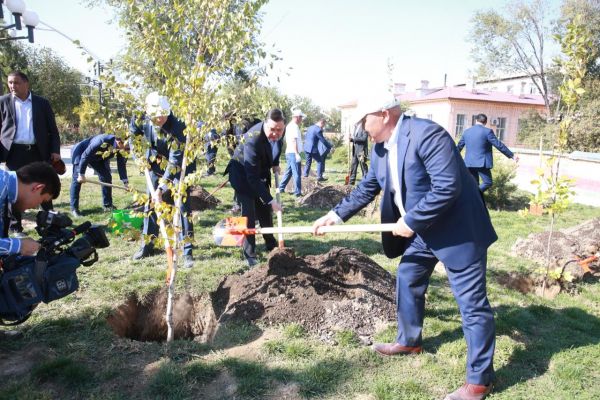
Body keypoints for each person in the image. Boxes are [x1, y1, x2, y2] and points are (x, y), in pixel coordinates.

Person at [312, 96, 497, 400]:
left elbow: (447, 185)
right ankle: (409, 341)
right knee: (408, 275)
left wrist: (411, 220)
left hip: (460, 231)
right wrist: (334, 216)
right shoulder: (381, 148)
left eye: (362, 121)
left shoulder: (428, 135)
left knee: (472, 306)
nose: (360, 128)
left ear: (384, 114)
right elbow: (367, 187)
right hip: (425, 231)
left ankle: (479, 381)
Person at [129, 92, 195, 269]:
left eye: (163, 116)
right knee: (150, 204)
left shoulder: (178, 126)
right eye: (156, 117)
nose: (160, 120)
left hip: (179, 166)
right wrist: (139, 159)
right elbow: (133, 138)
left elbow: (175, 160)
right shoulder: (140, 117)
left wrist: (162, 187)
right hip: (154, 161)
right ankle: (147, 245)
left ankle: (187, 251)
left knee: (182, 206)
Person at [0, 162, 60, 338]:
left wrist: (17, 242)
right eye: (41, 201)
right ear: (37, 187)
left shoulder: (7, 193)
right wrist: (18, 246)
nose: (34, 208)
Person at [0, 71, 61, 235]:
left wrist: (55, 151)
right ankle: (15, 227)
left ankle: (48, 224)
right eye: (10, 83)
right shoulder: (3, 102)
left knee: (44, 185)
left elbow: (53, 131)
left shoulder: (42, 103)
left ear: (27, 84)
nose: (12, 86)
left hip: (38, 152)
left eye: (16, 82)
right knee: (13, 190)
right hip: (14, 153)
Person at [225, 108, 285, 267]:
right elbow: (251, 177)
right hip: (242, 175)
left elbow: (276, 146)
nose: (276, 133)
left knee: (265, 210)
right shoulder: (253, 139)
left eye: (279, 129)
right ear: (265, 124)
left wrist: (275, 163)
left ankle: (271, 244)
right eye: (272, 129)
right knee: (248, 213)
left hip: (260, 172)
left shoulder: (279, 130)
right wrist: (271, 200)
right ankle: (250, 253)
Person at [70, 134, 129, 217]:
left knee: (106, 177)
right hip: (81, 152)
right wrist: (81, 174)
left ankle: (107, 205)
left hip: (97, 157)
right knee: (77, 179)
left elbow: (121, 164)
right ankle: (74, 209)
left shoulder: (121, 147)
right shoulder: (101, 140)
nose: (127, 149)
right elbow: (85, 156)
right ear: (119, 142)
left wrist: (125, 182)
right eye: (127, 147)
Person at [457, 113, 518, 193]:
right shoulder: (487, 132)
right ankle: (474, 196)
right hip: (481, 163)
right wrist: (512, 155)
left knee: (474, 185)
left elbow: (459, 147)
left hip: (469, 163)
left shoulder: (466, 132)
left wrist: (451, 158)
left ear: (476, 120)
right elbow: (499, 145)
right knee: (487, 182)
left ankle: (474, 200)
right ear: (485, 122)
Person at [278, 108, 305, 197]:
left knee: (289, 171)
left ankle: (281, 188)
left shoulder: (289, 125)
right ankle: (297, 192)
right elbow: (293, 140)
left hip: (289, 152)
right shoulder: (294, 126)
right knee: (297, 172)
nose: (302, 119)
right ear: (297, 117)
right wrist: (297, 154)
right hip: (293, 153)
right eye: (301, 117)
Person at [303, 116, 331, 181]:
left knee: (308, 162)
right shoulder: (318, 130)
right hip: (313, 149)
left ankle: (305, 176)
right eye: (324, 125)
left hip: (306, 147)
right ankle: (319, 177)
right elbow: (322, 140)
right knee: (320, 161)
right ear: (322, 123)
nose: (323, 127)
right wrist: (329, 146)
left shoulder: (310, 127)